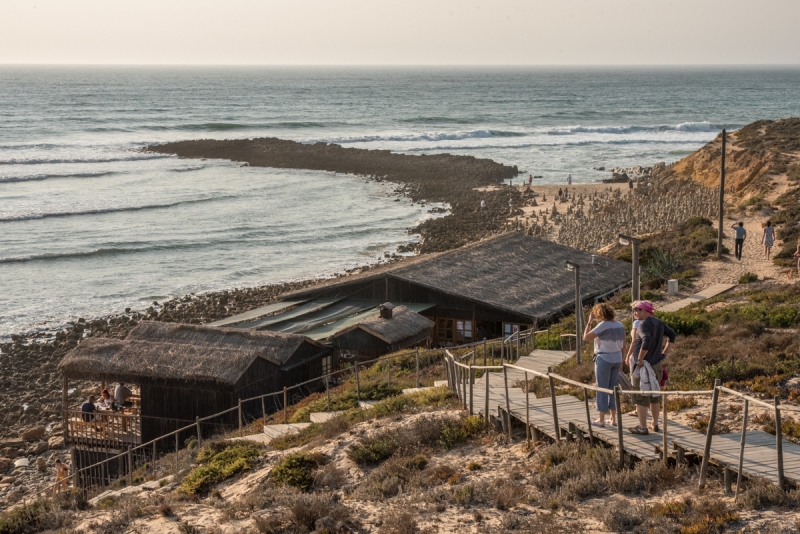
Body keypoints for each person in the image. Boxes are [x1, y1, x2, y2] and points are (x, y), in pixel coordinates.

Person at [628, 301, 676, 435]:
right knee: (655, 395)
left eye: (636, 309)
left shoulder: (643, 325)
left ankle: (642, 427)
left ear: (644, 311)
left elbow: (646, 340)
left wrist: (641, 359)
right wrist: (665, 353)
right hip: (656, 365)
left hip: (645, 366)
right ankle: (654, 424)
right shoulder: (658, 322)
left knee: (641, 396)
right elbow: (672, 335)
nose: (634, 313)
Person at [583, 303, 626, 427]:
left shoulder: (603, 325)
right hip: (617, 358)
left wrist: (589, 322)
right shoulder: (620, 325)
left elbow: (586, 337)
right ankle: (613, 419)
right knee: (614, 389)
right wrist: (622, 361)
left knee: (602, 388)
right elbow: (624, 345)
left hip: (604, 358)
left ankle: (601, 419)